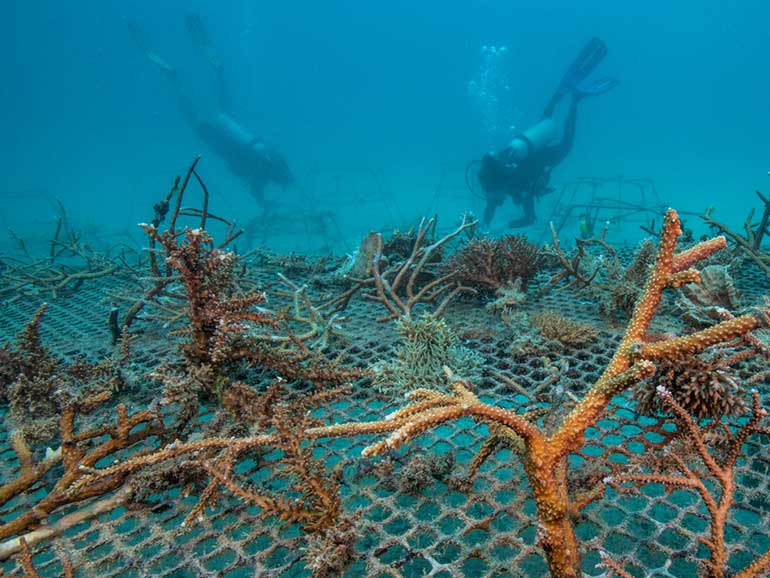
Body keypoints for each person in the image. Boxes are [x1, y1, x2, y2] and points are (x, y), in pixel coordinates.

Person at [129, 14, 292, 206]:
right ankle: (173, 79)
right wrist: (264, 202)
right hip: (224, 143)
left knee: (224, 112)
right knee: (195, 122)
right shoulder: (267, 170)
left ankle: (218, 71)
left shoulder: (271, 160)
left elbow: (256, 180)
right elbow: (255, 189)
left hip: (236, 135)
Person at [477, 38, 618, 228]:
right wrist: (485, 225)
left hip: (542, 159)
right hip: (530, 148)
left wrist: (499, 227)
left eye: (496, 198)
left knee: (566, 145)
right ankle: (556, 98)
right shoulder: (497, 175)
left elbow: (530, 218)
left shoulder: (508, 185)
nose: (497, 201)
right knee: (543, 125)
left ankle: (575, 101)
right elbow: (492, 205)